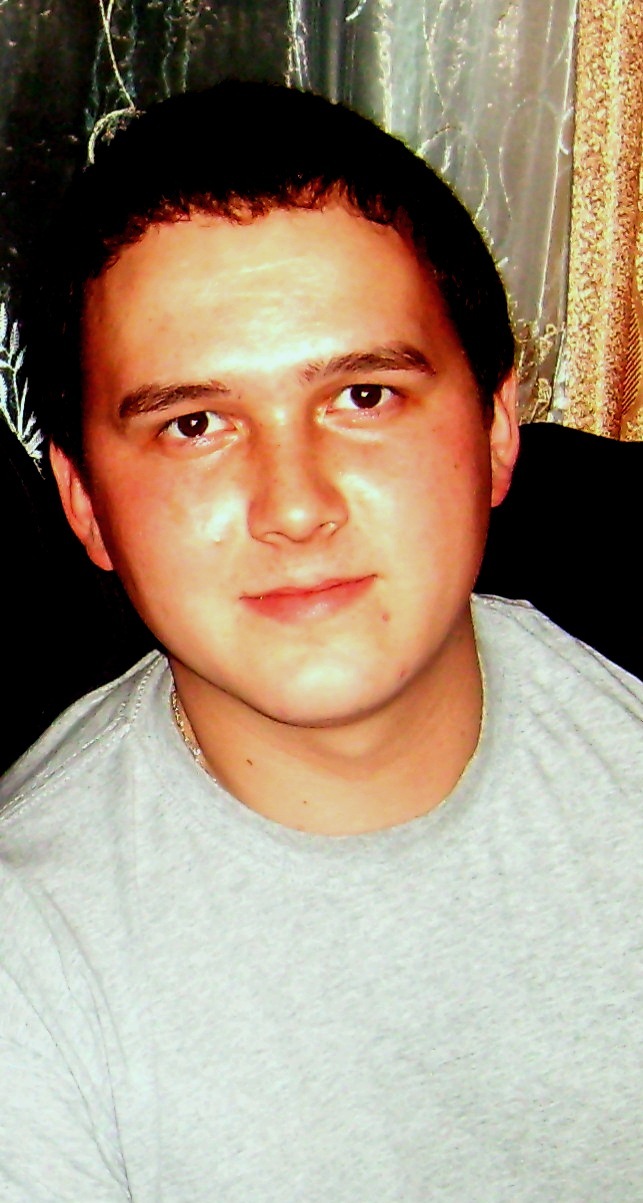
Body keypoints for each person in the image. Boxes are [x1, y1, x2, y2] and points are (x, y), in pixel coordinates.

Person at [1, 80, 642, 1202]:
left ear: (497, 430)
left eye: (364, 396)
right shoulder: (29, 964)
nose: (293, 506)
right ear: (86, 506)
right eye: (194, 424)